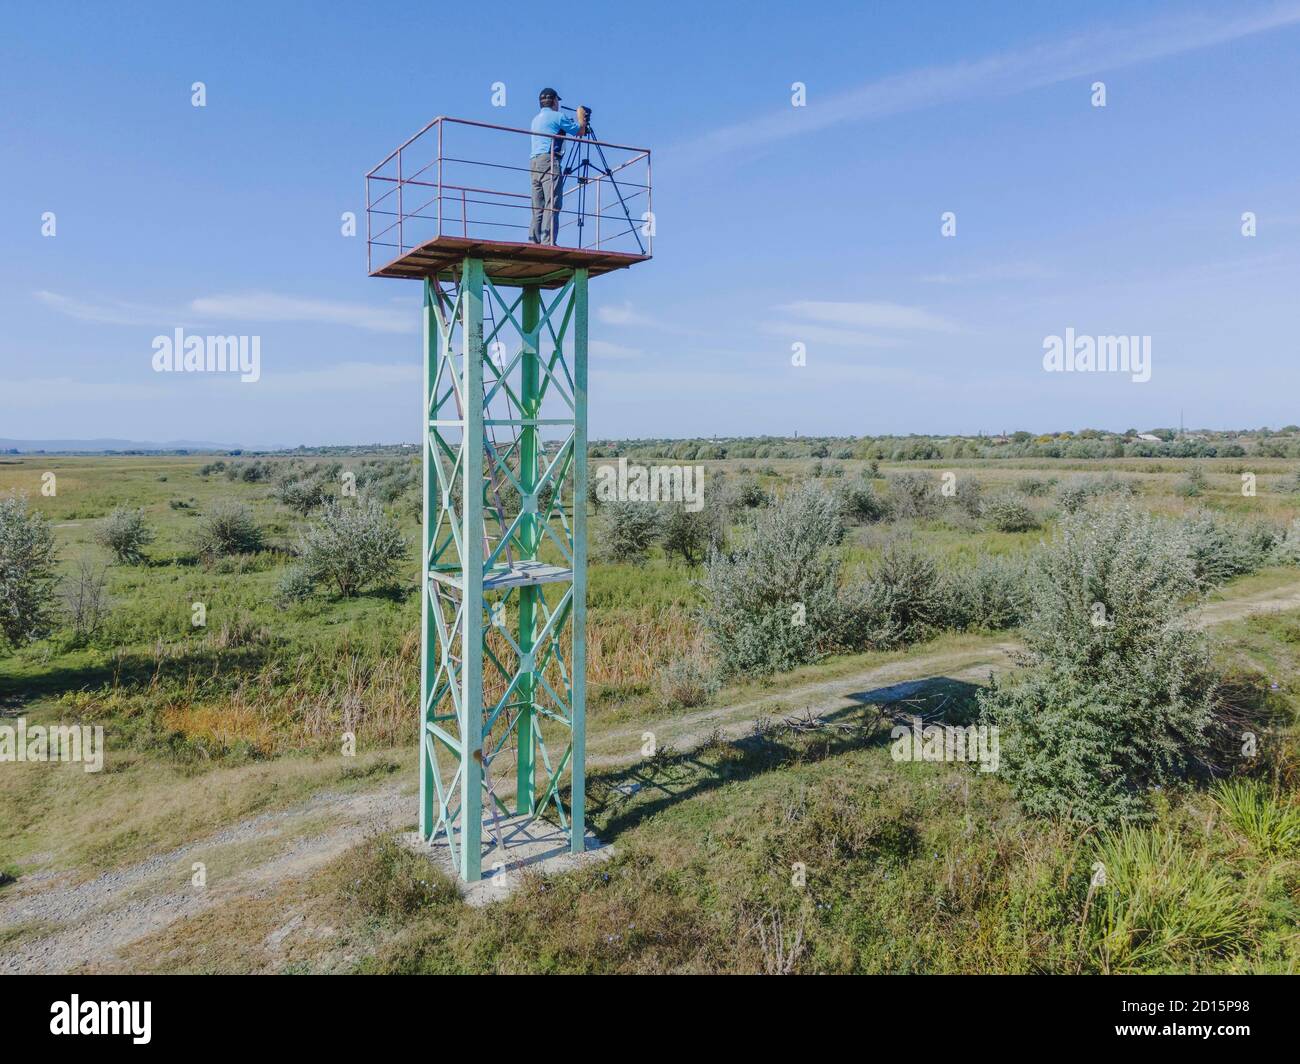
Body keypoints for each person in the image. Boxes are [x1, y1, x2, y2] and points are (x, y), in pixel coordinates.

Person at [529, 88, 588, 244]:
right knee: (552, 203)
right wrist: (581, 117)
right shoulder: (558, 116)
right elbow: (580, 131)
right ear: (554, 101)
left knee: (537, 206)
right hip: (549, 161)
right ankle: (548, 242)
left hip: (534, 163)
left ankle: (533, 241)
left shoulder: (535, 120)